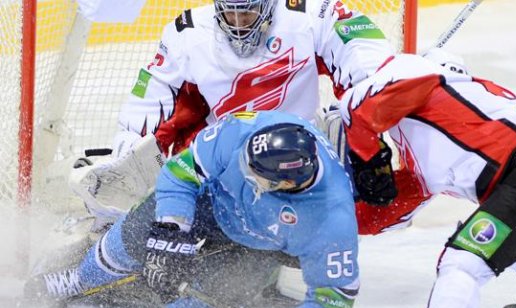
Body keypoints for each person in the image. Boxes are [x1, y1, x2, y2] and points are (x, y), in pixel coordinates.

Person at [69, 0, 395, 227]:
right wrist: (127, 158)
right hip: (220, 164)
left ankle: (307, 239)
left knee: (342, 130)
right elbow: (147, 97)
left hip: (297, 159)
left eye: (248, 13)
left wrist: (366, 145)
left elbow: (370, 63)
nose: (238, 25)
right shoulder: (187, 31)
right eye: (231, 14)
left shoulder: (313, 13)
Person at [337, 53, 516, 308]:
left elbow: (359, 108)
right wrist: (328, 218)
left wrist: (367, 160)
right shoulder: (434, 137)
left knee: (462, 263)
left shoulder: (421, 77)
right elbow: (387, 208)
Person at [27, 111, 360, 308]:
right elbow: (179, 173)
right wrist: (170, 233)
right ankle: (81, 278)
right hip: (210, 202)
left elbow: (335, 298)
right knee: (135, 234)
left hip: (260, 246)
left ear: (287, 183)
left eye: (256, 177)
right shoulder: (245, 132)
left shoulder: (333, 220)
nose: (244, 173)